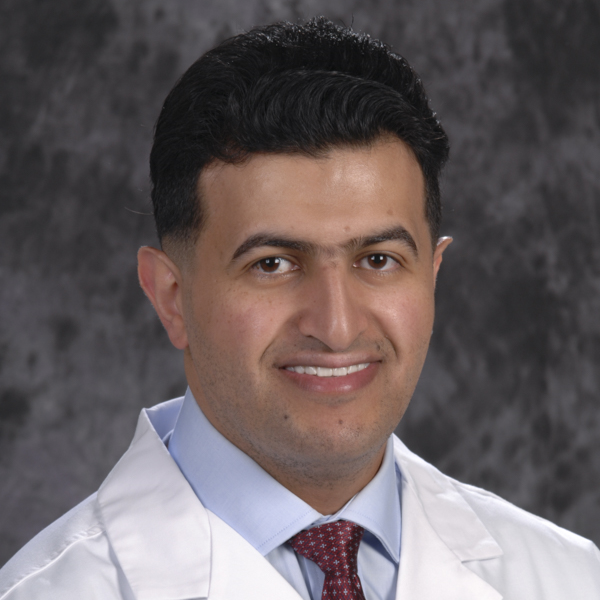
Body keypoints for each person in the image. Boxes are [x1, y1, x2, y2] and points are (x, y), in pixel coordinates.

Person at [0, 16, 599, 600]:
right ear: (171, 297)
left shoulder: (572, 580)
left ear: (432, 276)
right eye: (272, 264)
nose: (337, 327)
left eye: (379, 260)